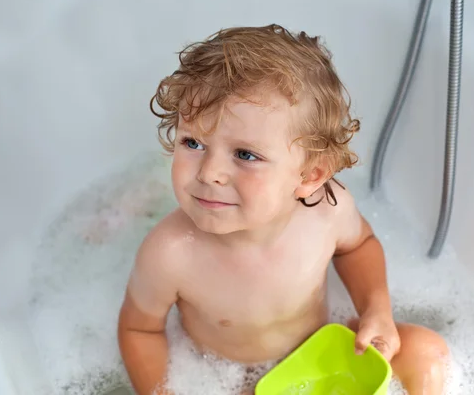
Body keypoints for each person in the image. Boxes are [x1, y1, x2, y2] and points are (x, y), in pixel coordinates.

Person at [117, 24, 450, 395]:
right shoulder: (171, 252)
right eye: (192, 142)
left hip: (325, 354)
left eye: (245, 154)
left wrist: (376, 309)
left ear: (310, 175)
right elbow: (139, 330)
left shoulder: (328, 211)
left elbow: (357, 245)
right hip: (237, 381)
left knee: (427, 351)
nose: (210, 173)